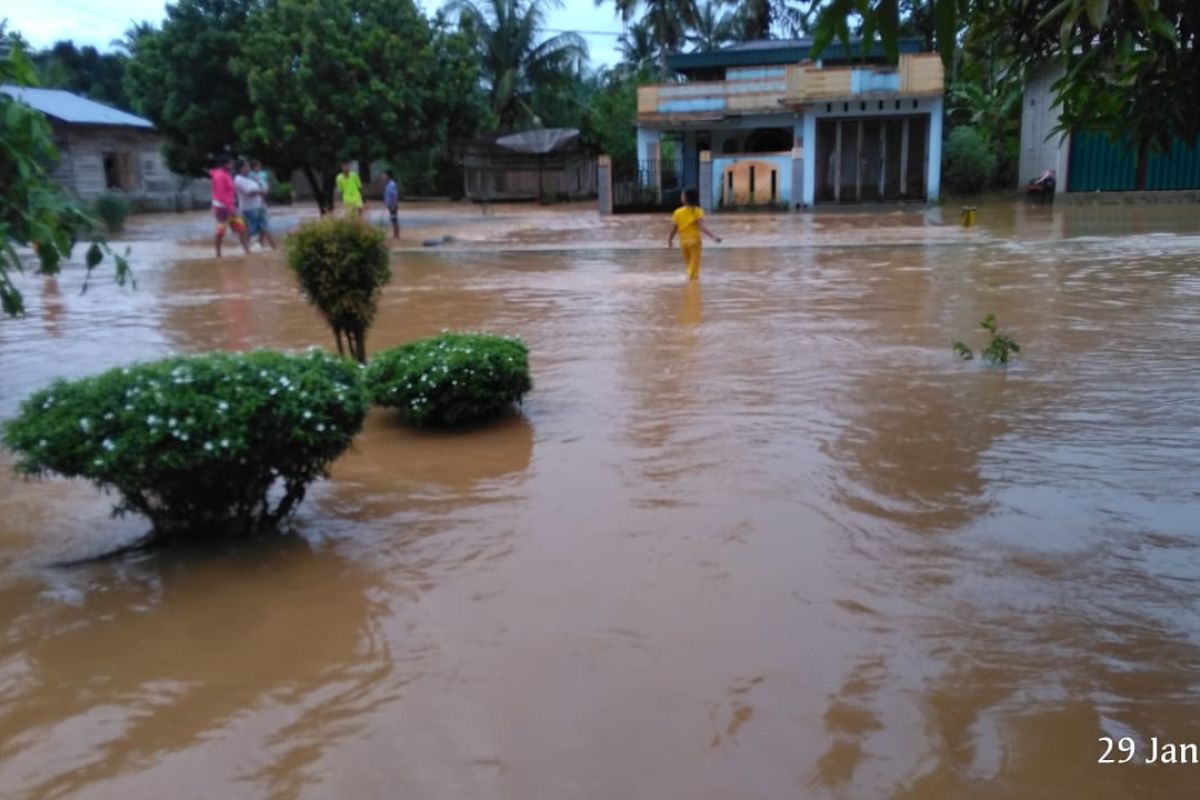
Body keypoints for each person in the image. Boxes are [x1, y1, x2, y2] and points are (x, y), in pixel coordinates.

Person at [667, 187, 721, 281]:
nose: (681, 197)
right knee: (694, 265)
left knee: (689, 264)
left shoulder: (677, 212)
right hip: (694, 242)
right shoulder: (698, 211)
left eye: (682, 195)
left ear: (685, 198)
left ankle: (691, 283)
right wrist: (714, 237)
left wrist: (670, 240)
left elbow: (673, 229)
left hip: (683, 243)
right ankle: (692, 284)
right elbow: (703, 227)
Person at [210, 155, 249, 258]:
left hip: (229, 205)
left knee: (241, 227)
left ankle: (246, 250)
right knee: (221, 230)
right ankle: (218, 253)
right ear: (225, 164)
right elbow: (221, 194)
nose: (232, 165)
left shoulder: (226, 174)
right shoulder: (220, 175)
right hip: (222, 207)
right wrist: (230, 208)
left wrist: (232, 206)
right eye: (230, 163)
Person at [235, 159, 276, 250]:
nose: (249, 168)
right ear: (241, 168)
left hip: (259, 206)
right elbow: (249, 192)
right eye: (246, 166)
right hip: (247, 209)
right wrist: (260, 192)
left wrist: (261, 192)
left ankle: (273, 247)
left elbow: (261, 187)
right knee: (247, 231)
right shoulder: (238, 179)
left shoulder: (251, 177)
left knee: (265, 227)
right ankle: (247, 250)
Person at [383, 169, 400, 238]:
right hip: (390, 205)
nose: (383, 177)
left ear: (388, 176)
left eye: (384, 176)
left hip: (393, 205)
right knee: (393, 219)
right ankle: (395, 234)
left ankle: (396, 235)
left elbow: (395, 195)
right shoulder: (388, 184)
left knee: (394, 219)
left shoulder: (391, 184)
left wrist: (394, 205)